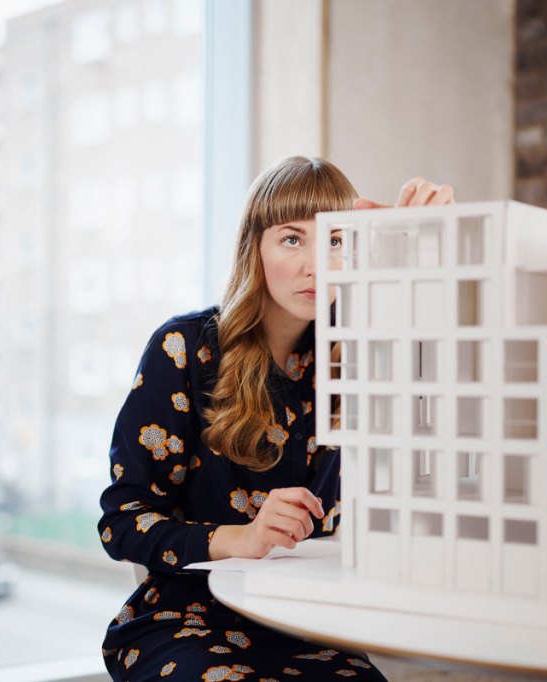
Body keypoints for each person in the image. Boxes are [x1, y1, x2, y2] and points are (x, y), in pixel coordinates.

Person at [97, 156, 455, 681]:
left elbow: (430, 430)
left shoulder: (359, 357)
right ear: (255, 250)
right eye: (292, 239)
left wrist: (423, 246)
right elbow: (123, 522)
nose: (317, 264)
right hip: (183, 618)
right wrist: (241, 538)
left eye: (335, 240)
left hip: (308, 621)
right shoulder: (184, 350)